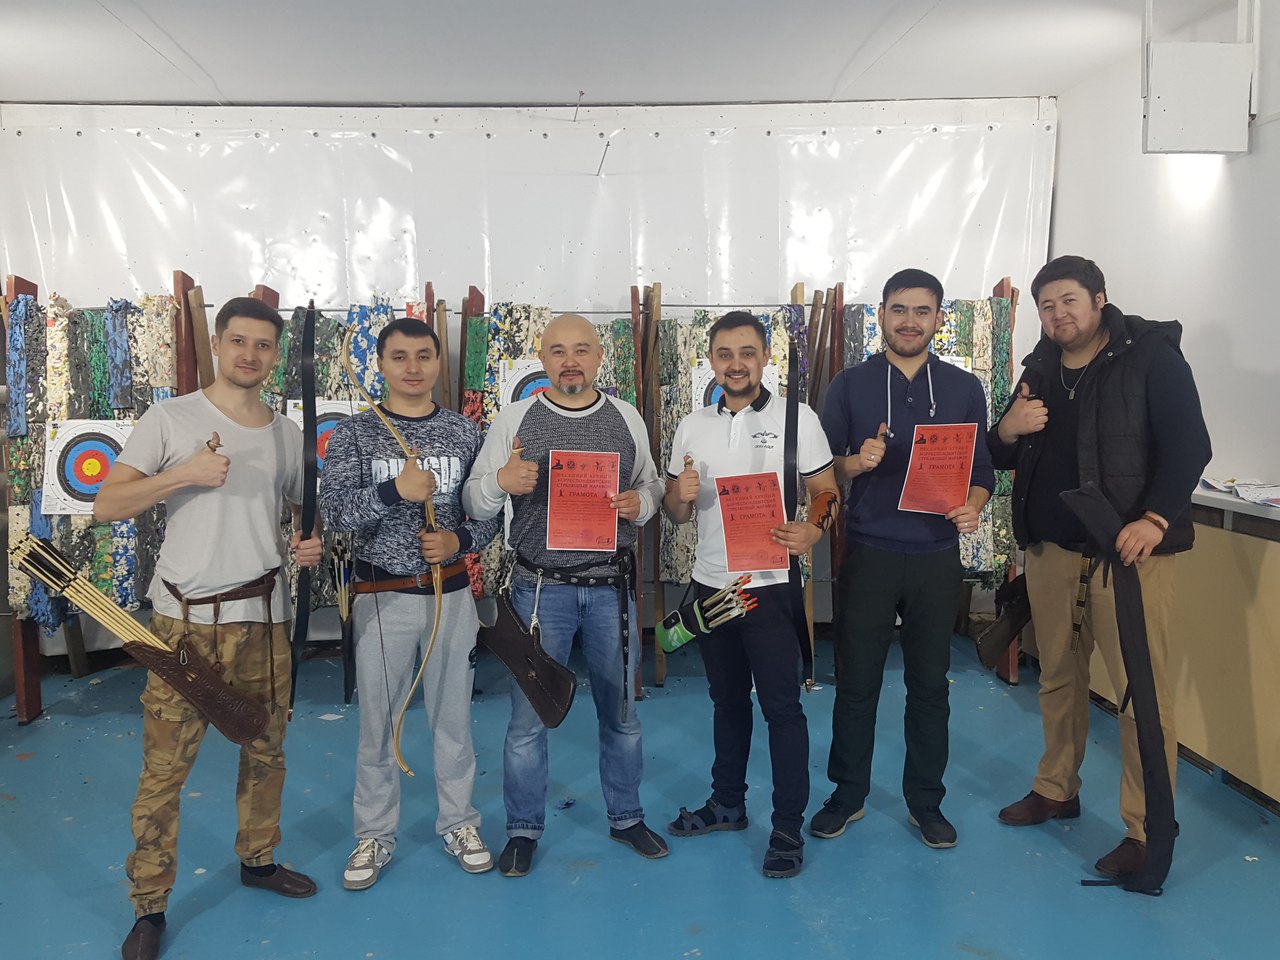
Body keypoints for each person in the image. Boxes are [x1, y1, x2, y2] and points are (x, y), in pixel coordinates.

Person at [94, 297, 323, 960]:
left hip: (265, 616)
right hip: (184, 624)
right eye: (239, 341)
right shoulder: (171, 418)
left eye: (264, 345)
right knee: (165, 770)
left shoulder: (285, 434)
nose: (251, 355)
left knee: (266, 750)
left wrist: (305, 541)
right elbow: (107, 503)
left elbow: (295, 513)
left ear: (275, 356)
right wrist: (184, 474)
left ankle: (259, 858)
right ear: (217, 345)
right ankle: (149, 906)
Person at [988, 255, 1210, 879]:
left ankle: (1145, 831)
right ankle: (1056, 788)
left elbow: (1190, 447)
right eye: (1047, 306)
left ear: (1099, 300)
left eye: (1069, 300)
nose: (1058, 314)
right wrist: (1008, 429)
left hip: (1129, 555)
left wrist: (1156, 519)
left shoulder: (1151, 358)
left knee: (1142, 695)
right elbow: (1001, 455)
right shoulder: (1039, 366)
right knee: (1058, 677)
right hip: (1051, 552)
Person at [462, 313, 667, 877]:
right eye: (557, 351)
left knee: (621, 713)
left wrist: (642, 504)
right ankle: (522, 830)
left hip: (610, 590)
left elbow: (652, 483)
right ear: (542, 358)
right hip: (538, 590)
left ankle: (626, 817)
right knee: (528, 720)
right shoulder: (515, 419)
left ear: (599, 356)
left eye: (581, 350)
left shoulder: (625, 417)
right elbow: (474, 500)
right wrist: (500, 483)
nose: (570, 361)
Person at [813, 268, 994, 849]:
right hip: (869, 552)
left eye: (921, 311)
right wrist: (855, 463)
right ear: (881, 315)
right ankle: (847, 795)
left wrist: (971, 508)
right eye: (898, 309)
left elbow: (982, 472)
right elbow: (822, 471)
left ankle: (926, 802)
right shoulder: (850, 384)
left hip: (937, 557)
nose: (909, 321)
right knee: (856, 682)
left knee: (930, 686)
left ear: (939, 318)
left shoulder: (964, 388)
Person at [318, 316, 501, 890]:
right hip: (382, 598)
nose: (413, 368)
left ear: (438, 362)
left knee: (454, 720)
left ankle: (460, 822)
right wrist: (393, 490)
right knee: (379, 723)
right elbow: (335, 515)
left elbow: (489, 513)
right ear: (380, 364)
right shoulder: (355, 433)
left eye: (424, 356)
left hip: (451, 595)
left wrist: (458, 541)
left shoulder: (464, 433)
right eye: (399, 357)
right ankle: (375, 833)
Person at [662, 311, 838, 878]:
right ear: (712, 361)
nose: (735, 364)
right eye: (724, 354)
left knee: (782, 708)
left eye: (747, 353)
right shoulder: (692, 426)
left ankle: (786, 826)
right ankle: (728, 805)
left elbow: (825, 489)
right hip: (712, 587)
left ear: (764, 358)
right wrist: (680, 495)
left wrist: (814, 530)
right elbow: (675, 511)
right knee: (727, 701)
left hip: (771, 589)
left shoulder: (798, 418)